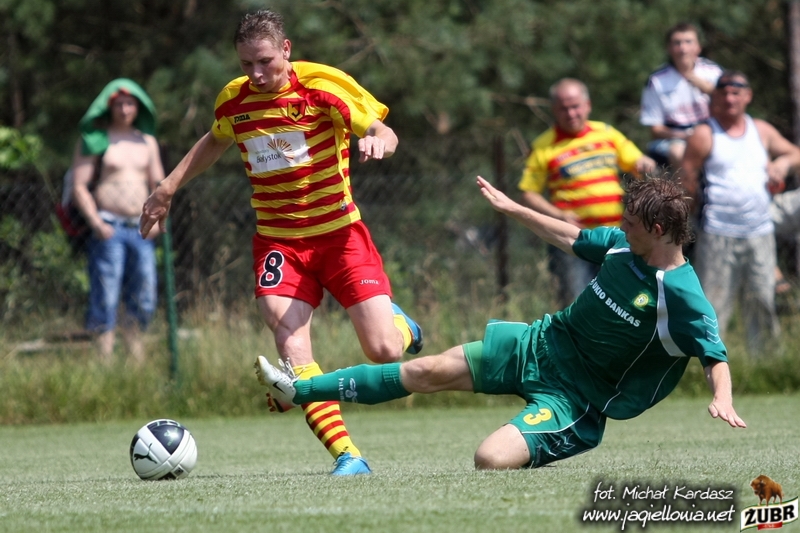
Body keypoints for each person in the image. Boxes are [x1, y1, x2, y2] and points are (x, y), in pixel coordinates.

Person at [256, 175, 747, 471]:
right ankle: (299, 390)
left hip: (578, 397)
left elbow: (714, 354)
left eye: (632, 223)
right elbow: (571, 237)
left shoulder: (682, 294)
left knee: (489, 459)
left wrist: (721, 396)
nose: (622, 226)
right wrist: (513, 208)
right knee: (425, 370)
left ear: (657, 231)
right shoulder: (622, 246)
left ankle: (549, 438)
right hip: (540, 343)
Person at [139, 9, 422, 475]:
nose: (255, 73)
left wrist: (378, 142)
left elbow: (381, 129)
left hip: (339, 236)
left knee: (384, 352)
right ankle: (348, 456)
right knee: (289, 344)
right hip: (280, 243)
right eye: (246, 63)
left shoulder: (323, 86)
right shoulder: (235, 100)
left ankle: (402, 326)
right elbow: (215, 139)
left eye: (265, 61)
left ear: (286, 50)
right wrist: (167, 188)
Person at [681, 70, 800, 354]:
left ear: (748, 96)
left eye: (736, 93)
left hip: (760, 232)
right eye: (723, 93)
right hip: (718, 232)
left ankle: (766, 367)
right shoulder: (705, 133)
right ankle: (710, 365)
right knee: (713, 306)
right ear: (715, 98)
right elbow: (686, 179)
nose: (730, 98)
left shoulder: (761, 130)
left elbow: (795, 154)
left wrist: (782, 164)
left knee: (762, 303)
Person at [518, 78, 655, 308]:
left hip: (616, 237)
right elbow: (528, 193)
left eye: (575, 106)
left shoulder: (607, 133)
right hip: (573, 239)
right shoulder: (544, 145)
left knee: (621, 304)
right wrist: (559, 215)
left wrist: (644, 164)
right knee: (576, 304)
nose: (571, 113)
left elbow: (637, 161)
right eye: (563, 108)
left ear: (587, 105)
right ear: (554, 110)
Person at [71, 78, 164, 363]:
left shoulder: (147, 142)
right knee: (106, 295)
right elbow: (78, 186)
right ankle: (105, 363)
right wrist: (96, 224)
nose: (125, 109)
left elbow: (160, 186)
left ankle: (136, 361)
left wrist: (158, 222)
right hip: (108, 228)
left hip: (141, 229)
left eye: (130, 103)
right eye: (119, 104)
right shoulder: (96, 139)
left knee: (145, 295)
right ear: (109, 107)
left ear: (139, 107)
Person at [640, 22, 722, 169]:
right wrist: (685, 136)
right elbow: (655, 130)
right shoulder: (657, 81)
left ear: (698, 47)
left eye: (688, 42)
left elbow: (731, 107)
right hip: (675, 138)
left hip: (711, 131)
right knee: (679, 153)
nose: (683, 49)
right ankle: (690, 185)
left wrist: (709, 90)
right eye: (677, 43)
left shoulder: (713, 72)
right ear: (668, 48)